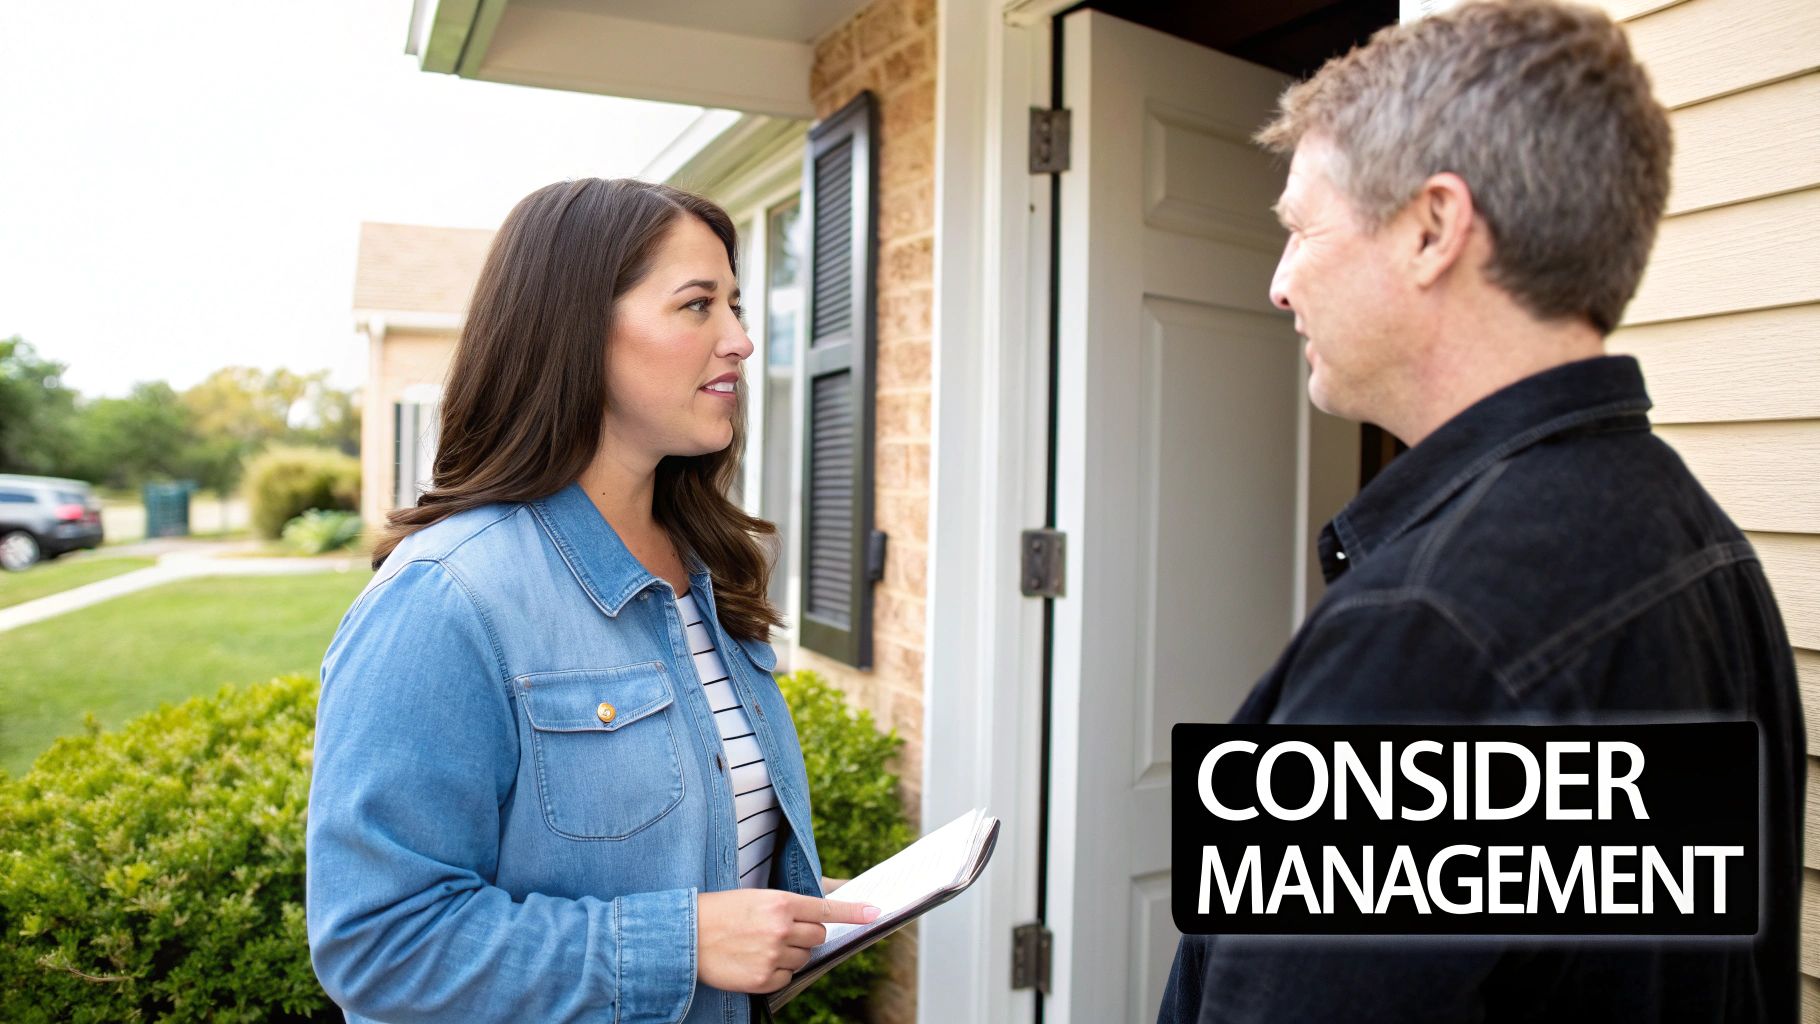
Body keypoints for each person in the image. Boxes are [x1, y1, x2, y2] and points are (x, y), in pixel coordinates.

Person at [1157, 2, 1802, 1021]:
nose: (1279, 286)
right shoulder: (1699, 543)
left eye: (1298, 231)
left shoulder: (1421, 632)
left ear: (1430, 228)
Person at [306, 178, 878, 1024]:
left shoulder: (706, 569)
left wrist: (780, 910)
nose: (741, 341)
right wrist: (685, 944)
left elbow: (688, 867)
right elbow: (380, 944)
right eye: (697, 306)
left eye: (736, 306)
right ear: (577, 332)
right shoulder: (447, 597)